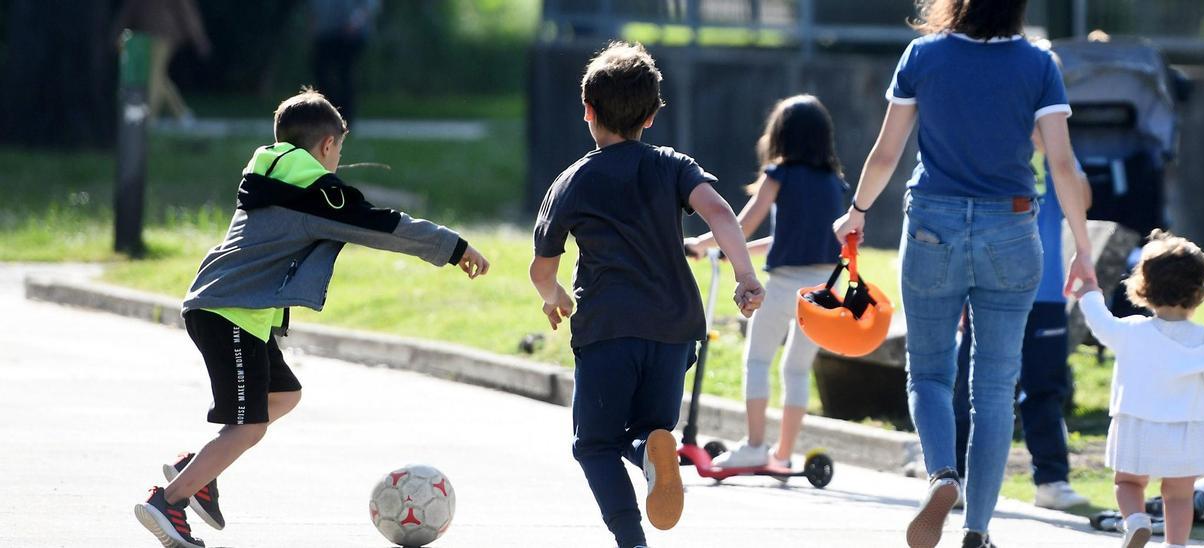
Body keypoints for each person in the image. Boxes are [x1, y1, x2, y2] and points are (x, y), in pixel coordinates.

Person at [133, 88, 489, 548]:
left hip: (234, 310)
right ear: (326, 146)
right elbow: (382, 226)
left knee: (283, 394)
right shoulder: (315, 193)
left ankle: (198, 469)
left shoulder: (271, 174)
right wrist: (453, 247)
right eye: (339, 149)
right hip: (229, 312)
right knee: (249, 425)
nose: (339, 159)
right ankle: (170, 500)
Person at [831, 1, 1097, 546]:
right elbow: (1063, 164)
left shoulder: (923, 54)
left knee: (929, 372)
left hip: (933, 222)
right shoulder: (1039, 63)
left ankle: (942, 476)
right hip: (1013, 228)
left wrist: (857, 211)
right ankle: (977, 531)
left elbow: (886, 154)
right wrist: (1084, 250)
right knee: (995, 387)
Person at [529, 42, 764, 548]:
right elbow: (720, 212)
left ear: (587, 111)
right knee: (648, 427)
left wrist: (554, 298)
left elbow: (542, 267)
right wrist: (745, 276)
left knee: (593, 444)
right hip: (675, 330)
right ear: (654, 115)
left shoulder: (570, 182)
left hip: (608, 329)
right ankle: (649, 450)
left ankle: (632, 539)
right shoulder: (672, 166)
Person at [684, 94, 847, 470]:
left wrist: (701, 244)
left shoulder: (780, 175)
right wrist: (733, 251)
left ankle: (756, 445)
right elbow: (790, 239)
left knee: (757, 359)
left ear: (780, 137)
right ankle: (783, 454)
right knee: (796, 369)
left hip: (784, 285)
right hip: (824, 290)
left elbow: (740, 225)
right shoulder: (835, 184)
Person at [954, 122, 1093, 510]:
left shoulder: (1057, 147)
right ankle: (956, 476)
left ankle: (1051, 480)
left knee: (1046, 386)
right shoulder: (990, 141)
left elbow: (1082, 200)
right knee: (971, 381)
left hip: (1046, 290)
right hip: (987, 285)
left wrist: (1053, 154)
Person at [1076, 230, 1204, 548]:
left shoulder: (1132, 332)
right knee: (1179, 495)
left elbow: (1100, 322)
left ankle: (1136, 521)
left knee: (1128, 481)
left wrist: (1089, 291)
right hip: (1187, 429)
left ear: (1143, 287)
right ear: (1200, 291)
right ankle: (1175, 544)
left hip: (1137, 423)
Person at [113, 0, 212, 124]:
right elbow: (130, 9)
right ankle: (181, 113)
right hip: (144, 35)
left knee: (154, 75)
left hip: (165, 34)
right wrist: (118, 33)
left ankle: (149, 118)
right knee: (158, 75)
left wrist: (199, 38)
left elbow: (186, 10)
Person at [309, 0, 380, 126]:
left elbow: (369, 5)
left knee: (345, 74)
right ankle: (328, 109)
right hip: (325, 31)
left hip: (350, 34)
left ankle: (345, 116)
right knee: (320, 71)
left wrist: (356, 21)